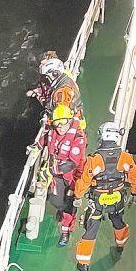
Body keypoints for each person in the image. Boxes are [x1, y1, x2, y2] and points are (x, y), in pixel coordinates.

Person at [72, 122, 136, 271]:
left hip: (98, 201)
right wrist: (134, 193)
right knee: (118, 222)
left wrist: (77, 196)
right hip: (117, 200)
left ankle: (83, 264)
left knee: (91, 229)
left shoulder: (94, 160)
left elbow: (84, 181)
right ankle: (120, 246)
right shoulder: (125, 158)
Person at [32, 104, 87, 247]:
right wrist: (36, 146)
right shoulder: (54, 131)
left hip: (73, 176)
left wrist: (52, 170)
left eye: (62, 124)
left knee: (69, 203)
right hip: (57, 174)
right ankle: (61, 209)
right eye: (56, 124)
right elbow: (46, 139)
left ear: (69, 121)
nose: (60, 127)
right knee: (56, 201)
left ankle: (66, 231)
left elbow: (72, 163)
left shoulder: (78, 138)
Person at [26, 52, 85, 127]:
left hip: (73, 126)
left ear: (55, 74)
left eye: (48, 76)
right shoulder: (65, 82)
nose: (47, 78)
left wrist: (47, 123)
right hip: (75, 122)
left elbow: (61, 121)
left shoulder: (62, 92)